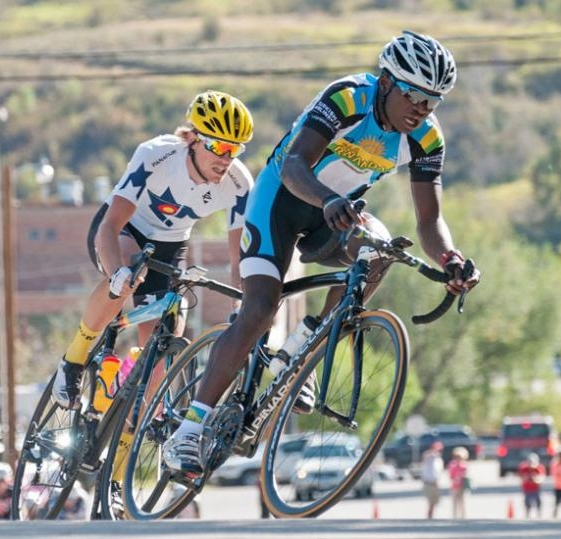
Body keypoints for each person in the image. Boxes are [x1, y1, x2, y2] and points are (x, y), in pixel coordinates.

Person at [161, 30, 480, 476]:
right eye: (414, 96)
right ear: (387, 81)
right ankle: (188, 431)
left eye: (433, 101)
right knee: (258, 311)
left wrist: (451, 259)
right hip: (283, 201)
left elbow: (429, 221)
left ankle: (304, 344)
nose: (422, 110)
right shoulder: (348, 98)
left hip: (336, 216)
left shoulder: (426, 138)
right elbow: (294, 163)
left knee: (383, 247)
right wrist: (327, 198)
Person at [52, 89, 254, 411]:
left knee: (163, 339)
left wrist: (241, 309)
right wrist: (117, 273)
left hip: (171, 245)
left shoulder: (240, 184)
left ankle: (131, 421)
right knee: (130, 275)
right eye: (218, 146)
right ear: (194, 140)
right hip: (125, 230)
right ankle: (73, 360)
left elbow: (238, 262)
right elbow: (110, 225)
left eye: (235, 150)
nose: (226, 159)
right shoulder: (156, 155)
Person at [517, 452, 545, 518]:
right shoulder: (523, 468)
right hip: (527, 488)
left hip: (536, 488)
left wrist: (535, 479)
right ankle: (527, 514)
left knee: (538, 500)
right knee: (527, 501)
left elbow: (541, 478)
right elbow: (522, 478)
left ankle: (539, 513)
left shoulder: (539, 468)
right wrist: (528, 478)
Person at [421, 441, 444, 519]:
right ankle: (429, 516)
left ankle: (431, 516)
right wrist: (431, 453)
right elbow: (425, 457)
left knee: (434, 501)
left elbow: (437, 471)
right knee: (431, 501)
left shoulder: (438, 459)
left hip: (435, 482)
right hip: (429, 482)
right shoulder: (429, 456)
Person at [446, 446, 469, 519]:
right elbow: (451, 475)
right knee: (454, 502)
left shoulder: (464, 465)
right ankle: (454, 516)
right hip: (455, 486)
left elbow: (466, 474)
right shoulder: (452, 465)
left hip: (462, 486)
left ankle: (463, 516)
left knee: (462, 502)